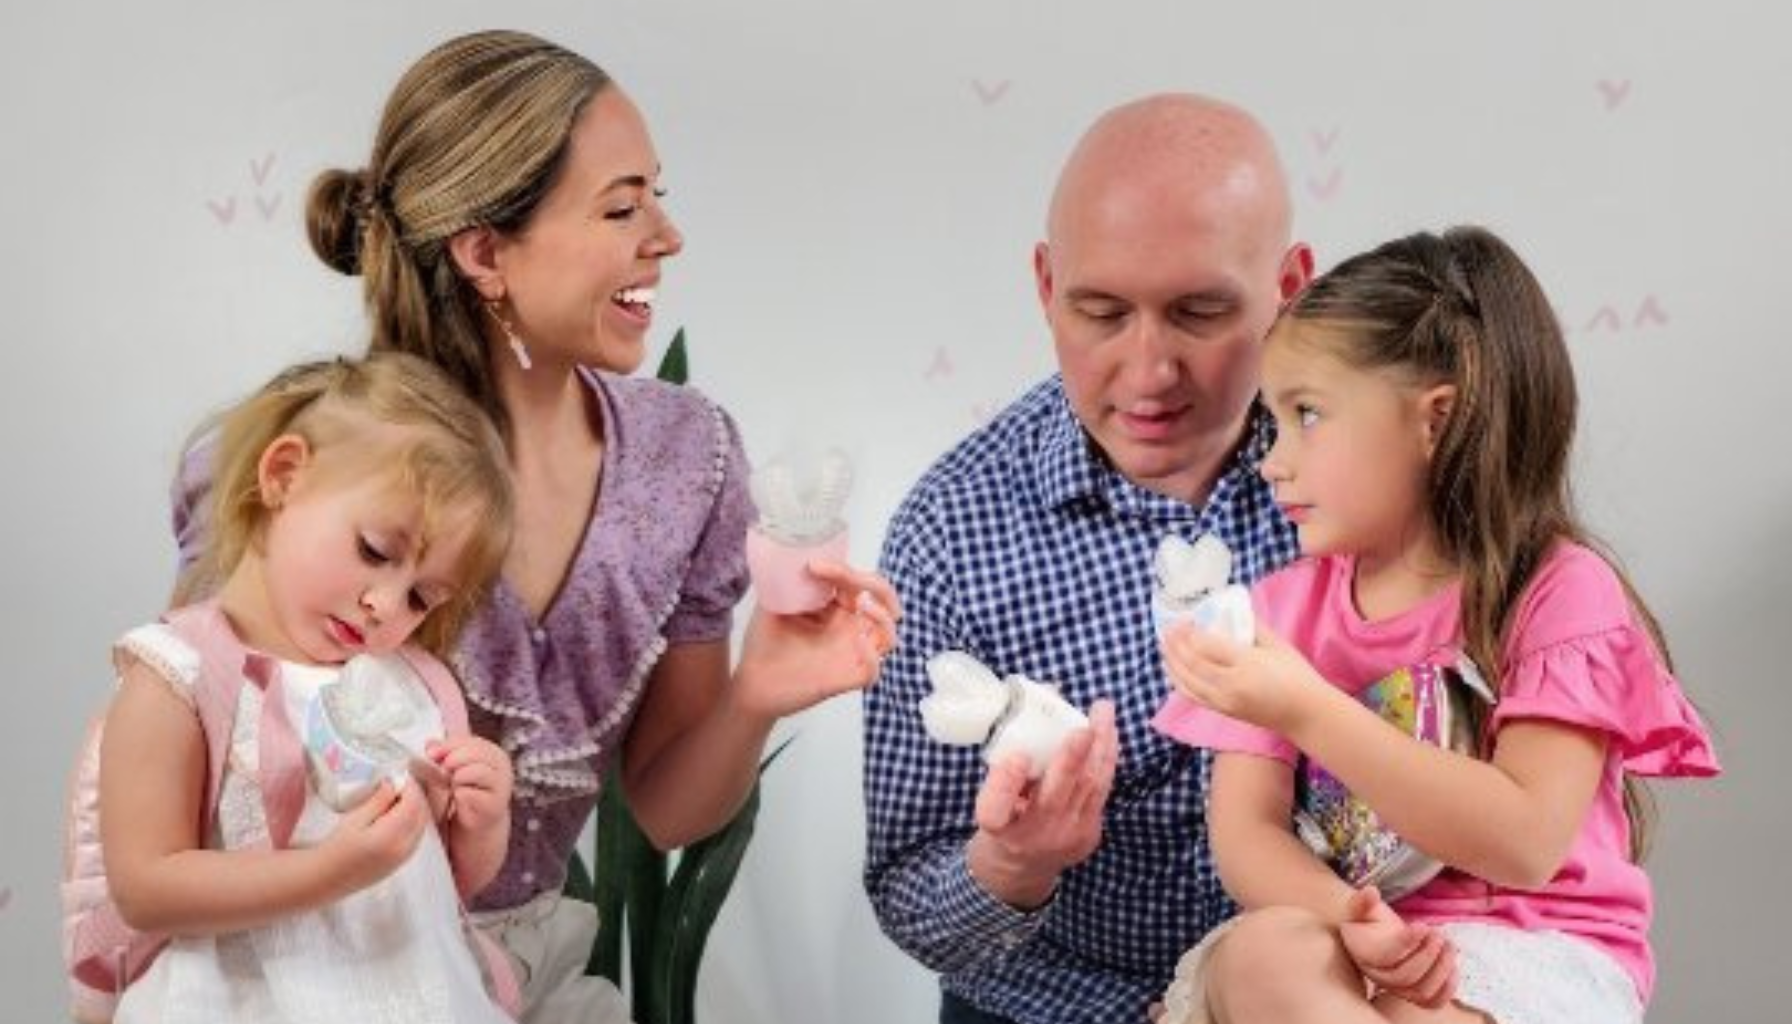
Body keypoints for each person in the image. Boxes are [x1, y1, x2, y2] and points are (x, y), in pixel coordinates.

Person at [171, 29, 900, 1023]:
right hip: (317, 968)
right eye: (620, 205)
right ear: (484, 253)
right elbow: (184, 792)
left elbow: (663, 803)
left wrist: (757, 695)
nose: (666, 236)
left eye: (657, 194)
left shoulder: (687, 461)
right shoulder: (315, 469)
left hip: (536, 964)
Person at [1155, 226, 1720, 1023]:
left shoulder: (1555, 591)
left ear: (1435, 420)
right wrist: (1352, 920)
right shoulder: (1282, 607)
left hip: (1532, 945)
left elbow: (1524, 841)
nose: (1271, 459)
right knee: (1260, 954)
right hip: (1355, 942)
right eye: (1271, 422)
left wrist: (1307, 708)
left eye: (1307, 415)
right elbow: (1246, 835)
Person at [862, 93, 1313, 1022]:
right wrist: (1013, 864)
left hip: (1324, 987)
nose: (1148, 373)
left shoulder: (1380, 473)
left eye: (1199, 313)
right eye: (1102, 312)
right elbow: (910, 893)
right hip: (1058, 1005)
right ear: (1043, 286)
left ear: (1290, 288)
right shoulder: (953, 529)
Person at [105, 353, 518, 1022]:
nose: (386, 604)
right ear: (284, 476)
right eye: (376, 552)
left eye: (422, 595)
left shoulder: (417, 687)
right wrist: (329, 872)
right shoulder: (179, 675)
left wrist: (483, 820)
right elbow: (145, 889)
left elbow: (444, 884)